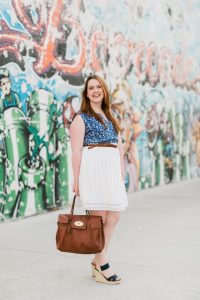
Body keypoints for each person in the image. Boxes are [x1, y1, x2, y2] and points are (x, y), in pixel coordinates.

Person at [69, 74, 128, 285]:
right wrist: (77, 179)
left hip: (111, 173)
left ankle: (97, 259)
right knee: (99, 218)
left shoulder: (111, 116)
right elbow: (76, 151)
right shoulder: (81, 117)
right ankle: (102, 262)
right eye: (91, 88)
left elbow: (119, 146)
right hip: (93, 172)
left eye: (98, 87)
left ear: (103, 91)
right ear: (86, 93)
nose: (95, 91)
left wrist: (121, 171)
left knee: (114, 217)